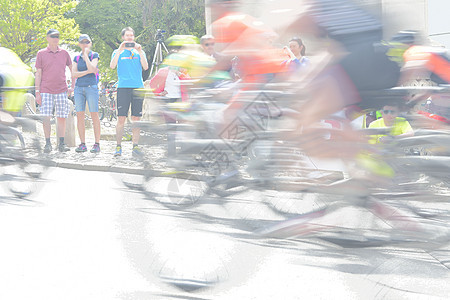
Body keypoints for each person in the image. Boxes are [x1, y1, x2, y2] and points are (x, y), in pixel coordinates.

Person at [110, 27, 148, 157]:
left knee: (136, 118)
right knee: (121, 118)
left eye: (132, 36)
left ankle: (135, 146)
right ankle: (118, 146)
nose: (130, 38)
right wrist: (120, 50)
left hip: (137, 87)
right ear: (123, 38)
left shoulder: (139, 52)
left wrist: (140, 51)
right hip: (123, 87)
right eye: (127, 36)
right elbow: (112, 66)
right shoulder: (117, 51)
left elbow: (146, 66)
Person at [35, 29, 74, 153]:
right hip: (45, 90)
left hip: (62, 89)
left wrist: (72, 86)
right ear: (47, 38)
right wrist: (37, 92)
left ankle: (61, 144)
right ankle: (47, 143)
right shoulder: (41, 53)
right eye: (52, 36)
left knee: (61, 117)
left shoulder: (64, 53)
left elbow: (72, 69)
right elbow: (38, 74)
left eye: (57, 36)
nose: (55, 38)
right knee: (46, 118)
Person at [72, 34, 101, 153]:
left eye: (87, 42)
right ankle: (82, 143)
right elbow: (73, 74)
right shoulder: (76, 58)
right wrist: (87, 71)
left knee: (94, 115)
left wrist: (86, 56)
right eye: (82, 42)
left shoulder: (95, 55)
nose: (85, 44)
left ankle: (97, 143)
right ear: (79, 44)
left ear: (90, 43)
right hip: (79, 88)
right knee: (80, 116)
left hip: (91, 87)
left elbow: (93, 68)